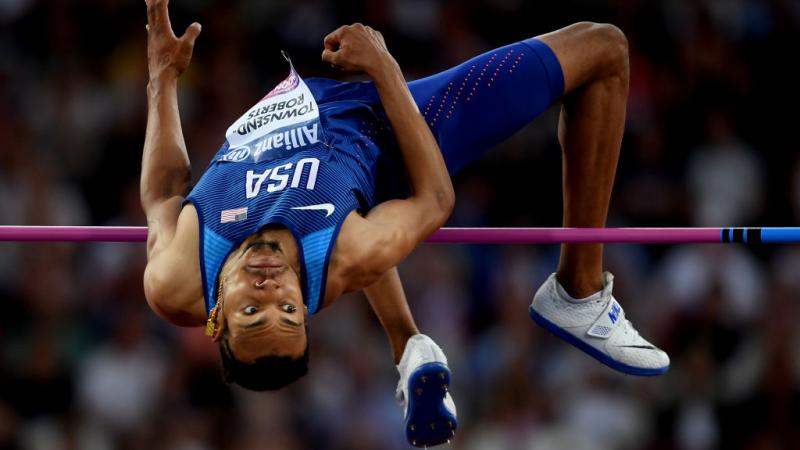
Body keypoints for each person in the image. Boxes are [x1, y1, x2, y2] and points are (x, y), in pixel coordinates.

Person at [140, 0, 668, 446]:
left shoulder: (176, 279)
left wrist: (161, 76)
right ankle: (579, 289)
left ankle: (409, 346)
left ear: (216, 319)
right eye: (288, 309)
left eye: (253, 310)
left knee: (365, 241)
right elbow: (434, 200)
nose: (271, 286)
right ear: (306, 309)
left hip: (305, 99)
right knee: (603, 48)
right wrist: (385, 69)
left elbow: (164, 192)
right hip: (393, 124)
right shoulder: (344, 250)